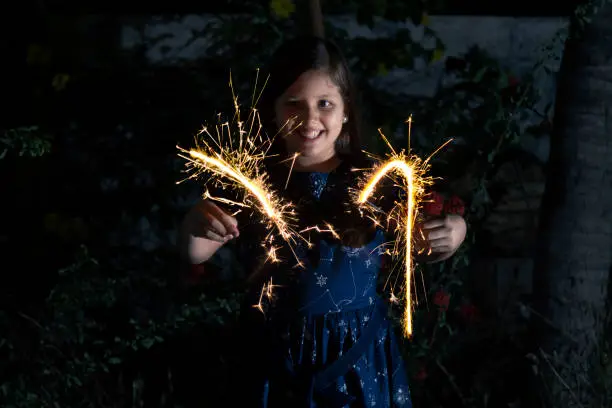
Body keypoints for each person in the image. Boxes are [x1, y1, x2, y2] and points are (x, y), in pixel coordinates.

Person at [180, 36, 467, 407]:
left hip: (358, 360)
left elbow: (423, 247)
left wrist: (456, 231)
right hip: (275, 358)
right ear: (274, 110)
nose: (310, 117)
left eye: (325, 104)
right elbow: (196, 252)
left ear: (346, 110)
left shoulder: (375, 181)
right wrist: (195, 225)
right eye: (294, 103)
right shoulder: (250, 183)